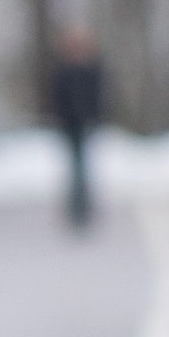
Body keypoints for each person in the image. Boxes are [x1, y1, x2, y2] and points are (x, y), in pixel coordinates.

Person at [47, 21, 106, 229]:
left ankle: (82, 207)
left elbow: (96, 97)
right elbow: (59, 98)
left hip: (85, 124)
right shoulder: (64, 70)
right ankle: (77, 208)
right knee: (76, 167)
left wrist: (94, 118)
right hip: (70, 125)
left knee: (82, 167)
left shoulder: (91, 70)